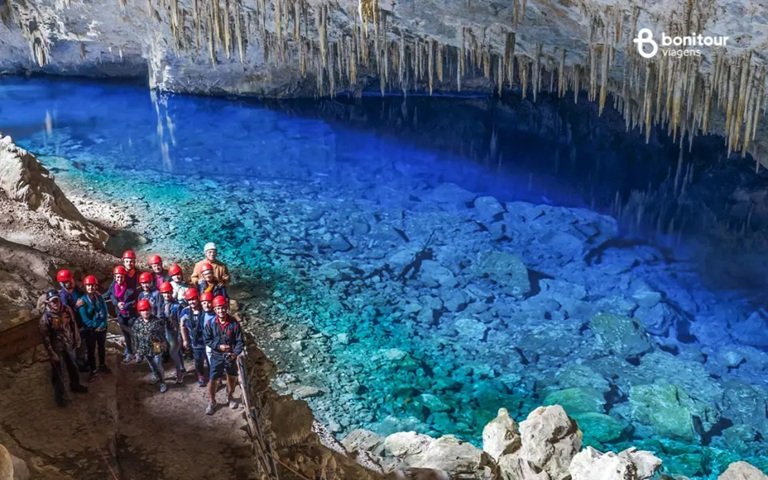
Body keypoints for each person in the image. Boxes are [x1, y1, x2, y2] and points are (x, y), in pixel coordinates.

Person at [39, 290, 88, 406]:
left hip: (68, 343)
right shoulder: (46, 318)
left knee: (73, 365)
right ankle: (59, 396)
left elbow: (73, 324)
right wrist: (51, 353)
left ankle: (75, 384)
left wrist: (76, 338)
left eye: (57, 300)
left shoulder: (66, 310)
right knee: (58, 372)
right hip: (56, 348)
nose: (55, 303)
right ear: (49, 303)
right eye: (53, 301)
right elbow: (45, 338)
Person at [203, 295, 244, 415]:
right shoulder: (210, 324)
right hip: (216, 355)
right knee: (213, 379)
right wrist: (218, 346)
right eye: (218, 309)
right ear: (215, 310)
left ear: (226, 308)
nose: (221, 311)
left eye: (223, 308)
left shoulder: (234, 323)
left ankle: (230, 397)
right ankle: (212, 401)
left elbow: (240, 341)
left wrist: (235, 353)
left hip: (230, 356)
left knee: (231, 378)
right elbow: (207, 340)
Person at [77, 274, 110, 380]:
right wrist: (96, 326)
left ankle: (102, 365)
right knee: (91, 350)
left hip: (101, 328)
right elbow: (85, 319)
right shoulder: (82, 301)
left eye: (93, 285)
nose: (91, 287)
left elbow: (104, 312)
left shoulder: (99, 298)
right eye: (88, 285)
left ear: (96, 286)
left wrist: (102, 324)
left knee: (101, 347)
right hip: (90, 330)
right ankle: (93, 370)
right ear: (85, 287)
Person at [132, 299, 169, 393]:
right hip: (144, 347)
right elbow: (135, 336)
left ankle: (162, 382)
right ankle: (156, 376)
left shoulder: (157, 321)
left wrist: (164, 344)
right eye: (143, 310)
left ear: (151, 309)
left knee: (158, 364)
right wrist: (136, 350)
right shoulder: (137, 323)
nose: (146, 312)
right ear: (139, 311)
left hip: (156, 346)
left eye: (147, 309)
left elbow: (162, 334)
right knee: (152, 365)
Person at [56, 268, 87, 371]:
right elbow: (66, 313)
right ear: (63, 283)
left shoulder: (76, 290)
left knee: (82, 343)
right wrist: (76, 306)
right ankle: (78, 365)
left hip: (81, 322)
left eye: (71, 280)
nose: (71, 282)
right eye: (68, 281)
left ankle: (82, 360)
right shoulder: (63, 296)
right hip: (74, 325)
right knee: (76, 344)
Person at [108, 265, 137, 364]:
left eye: (121, 277)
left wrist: (125, 305)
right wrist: (116, 303)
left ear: (124, 277)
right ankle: (130, 352)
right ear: (115, 277)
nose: (119, 279)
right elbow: (110, 295)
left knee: (133, 333)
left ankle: (137, 352)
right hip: (120, 315)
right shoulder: (113, 287)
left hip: (130, 314)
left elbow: (135, 300)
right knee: (126, 335)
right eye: (118, 277)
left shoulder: (130, 288)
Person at [180, 289, 209, 387]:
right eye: (189, 300)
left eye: (193, 299)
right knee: (198, 360)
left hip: (207, 341)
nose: (192, 302)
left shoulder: (204, 310)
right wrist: (185, 340)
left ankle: (214, 375)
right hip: (195, 341)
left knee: (210, 359)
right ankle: (200, 375)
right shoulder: (185, 311)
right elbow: (182, 325)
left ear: (198, 298)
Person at [157, 281, 185, 383]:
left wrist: (181, 335)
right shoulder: (162, 304)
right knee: (175, 352)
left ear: (171, 292)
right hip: (165, 331)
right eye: (164, 293)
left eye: (168, 292)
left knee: (173, 353)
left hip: (175, 331)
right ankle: (181, 368)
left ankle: (179, 373)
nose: (167, 295)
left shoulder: (177, 306)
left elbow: (181, 321)